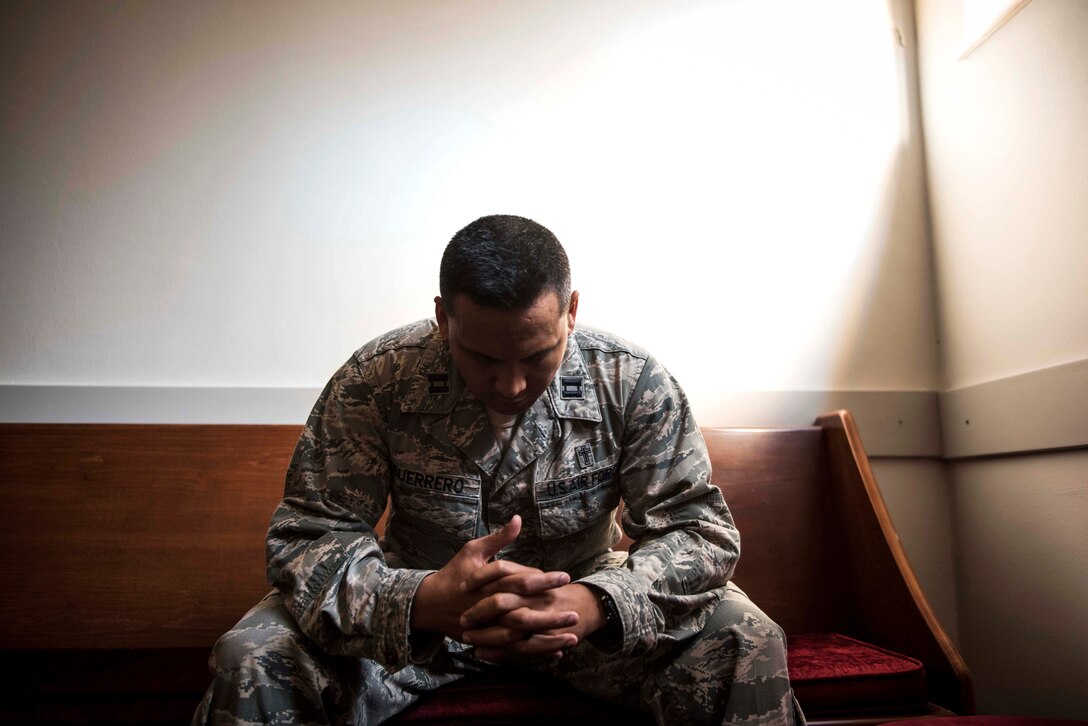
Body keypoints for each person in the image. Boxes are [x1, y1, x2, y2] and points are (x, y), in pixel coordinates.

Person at [194, 215, 802, 725]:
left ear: (572, 311)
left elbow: (698, 533)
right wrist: (422, 600)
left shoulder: (630, 381)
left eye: (537, 356)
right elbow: (308, 539)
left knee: (746, 638)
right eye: (482, 357)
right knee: (251, 655)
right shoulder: (377, 379)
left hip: (587, 627)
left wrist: (593, 602)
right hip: (411, 630)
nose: (511, 384)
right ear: (442, 319)